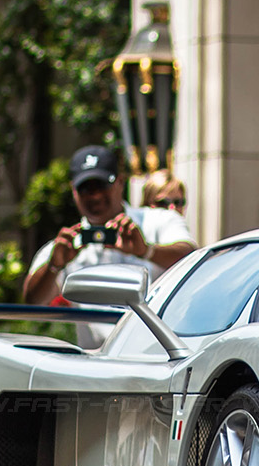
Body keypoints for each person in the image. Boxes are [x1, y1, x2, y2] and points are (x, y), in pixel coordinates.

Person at [23, 145, 196, 345]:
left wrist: (146, 251)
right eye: (85, 187)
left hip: (159, 358)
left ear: (121, 182)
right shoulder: (66, 246)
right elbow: (33, 300)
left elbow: (191, 260)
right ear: (74, 191)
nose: (94, 195)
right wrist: (54, 266)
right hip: (99, 362)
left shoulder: (157, 221)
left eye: (102, 184)